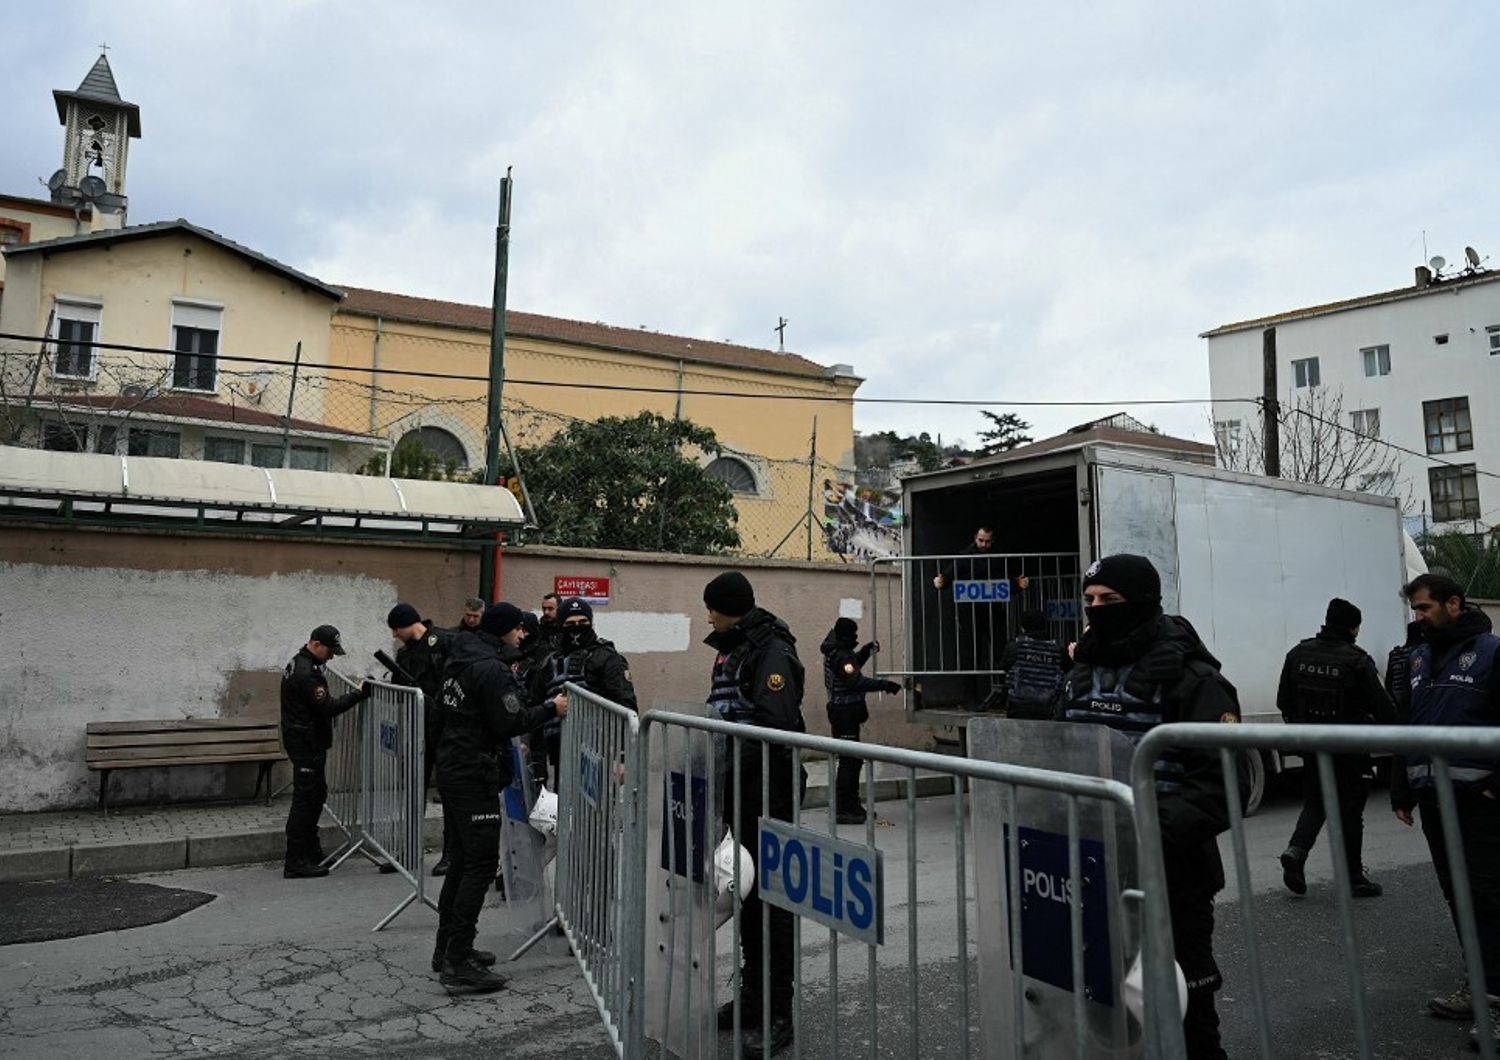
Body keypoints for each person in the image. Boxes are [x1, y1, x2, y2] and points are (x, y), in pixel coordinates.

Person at [1061, 554, 1237, 1060]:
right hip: (1091, 873)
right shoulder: (1081, 673)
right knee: (1103, 1008)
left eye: (1109, 601)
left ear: (1142, 602)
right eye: (1090, 600)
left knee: (1187, 1011)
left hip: (1171, 875)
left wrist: (1139, 830)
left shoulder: (1192, 678)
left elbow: (1218, 785)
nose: (1096, 609)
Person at [433, 602, 567, 993]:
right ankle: (457, 963)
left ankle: (449, 949)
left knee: (461, 863)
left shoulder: (461, 658)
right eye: (517, 629)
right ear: (504, 630)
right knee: (477, 865)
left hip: (456, 767)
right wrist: (550, 708)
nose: (523, 634)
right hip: (473, 773)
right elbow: (510, 721)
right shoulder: (491, 669)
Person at [1390, 574, 1500, 1045]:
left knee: (1490, 899)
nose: (1418, 617)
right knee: (1459, 897)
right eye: (1414, 610)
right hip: (1435, 800)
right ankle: (1480, 984)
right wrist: (1401, 786)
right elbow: (1409, 722)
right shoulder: (1418, 655)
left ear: (1453, 604)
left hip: (1481, 802)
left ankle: (1496, 1001)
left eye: (1424, 608)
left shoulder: (1492, 652)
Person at [704, 571, 805, 1059]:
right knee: (747, 893)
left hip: (770, 790)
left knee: (773, 900)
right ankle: (753, 999)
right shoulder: (736, 646)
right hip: (740, 787)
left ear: (732, 608)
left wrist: (723, 744)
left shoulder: (770, 652)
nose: (708, 617)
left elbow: (775, 724)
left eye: (713, 608)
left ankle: (778, 1013)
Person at [1274, 598, 1395, 898]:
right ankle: (1353, 878)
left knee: (1316, 801)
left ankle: (1297, 851)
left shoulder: (1297, 653)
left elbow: (1283, 701)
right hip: (1350, 749)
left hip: (1313, 745)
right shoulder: (1357, 660)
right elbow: (1385, 710)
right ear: (1354, 628)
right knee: (1351, 812)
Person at [280, 625, 370, 879]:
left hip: (306, 739)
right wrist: (358, 695)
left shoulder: (301, 662)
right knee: (305, 801)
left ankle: (309, 850)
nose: (331, 657)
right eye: (330, 651)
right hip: (305, 742)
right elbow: (327, 707)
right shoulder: (307, 673)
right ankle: (296, 861)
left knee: (316, 795)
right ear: (316, 644)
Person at [531, 597, 637, 788]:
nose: (576, 628)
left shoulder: (606, 657)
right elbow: (536, 709)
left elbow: (625, 705)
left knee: (597, 813)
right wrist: (536, 760)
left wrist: (623, 756)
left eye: (583, 622)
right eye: (570, 624)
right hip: (559, 753)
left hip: (599, 751)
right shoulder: (549, 662)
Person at [387, 603, 457, 877]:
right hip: (417, 729)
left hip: (445, 730)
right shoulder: (404, 655)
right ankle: (409, 849)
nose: (394, 635)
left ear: (407, 623)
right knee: (413, 791)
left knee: (448, 792)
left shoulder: (445, 642)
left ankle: (450, 853)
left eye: (395, 629)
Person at [819, 617, 900, 825]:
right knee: (849, 761)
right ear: (845, 635)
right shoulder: (840, 655)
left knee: (852, 760)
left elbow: (851, 668)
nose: (855, 638)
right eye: (853, 635)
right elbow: (855, 681)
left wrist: (864, 652)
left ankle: (850, 806)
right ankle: (845, 809)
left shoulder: (837, 651)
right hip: (844, 713)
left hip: (845, 713)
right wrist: (885, 685)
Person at [932, 525, 999, 704]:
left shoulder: (997, 556)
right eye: (981, 540)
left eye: (987, 541)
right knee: (971, 654)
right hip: (970, 612)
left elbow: (1006, 576)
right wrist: (943, 580)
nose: (984, 545)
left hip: (993, 611)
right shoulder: (964, 556)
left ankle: (1004, 693)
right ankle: (969, 697)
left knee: (1000, 650)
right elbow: (950, 573)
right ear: (975, 538)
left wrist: (1017, 584)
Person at [994, 608, 1068, 719]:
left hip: (1019, 706)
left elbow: (1004, 666)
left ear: (1022, 627)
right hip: (1050, 706)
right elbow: (1068, 669)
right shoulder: (1058, 648)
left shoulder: (1015, 646)